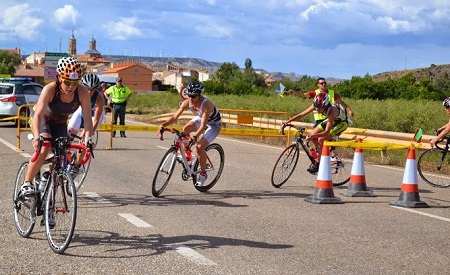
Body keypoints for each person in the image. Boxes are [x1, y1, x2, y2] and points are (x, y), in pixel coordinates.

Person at [20, 57, 93, 201]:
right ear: (59, 78)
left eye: (74, 82)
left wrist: (87, 139)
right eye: (67, 82)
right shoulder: (50, 89)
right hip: (43, 119)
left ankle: (49, 201)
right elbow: (38, 115)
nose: (71, 86)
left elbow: (88, 119)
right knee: (45, 146)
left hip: (60, 122)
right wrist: (36, 136)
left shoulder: (83, 92)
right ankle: (26, 183)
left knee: (62, 156)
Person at [157, 82, 222, 187]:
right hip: (201, 120)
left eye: (193, 96)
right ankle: (188, 156)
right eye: (189, 95)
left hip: (213, 125)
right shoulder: (188, 102)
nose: (191, 98)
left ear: (200, 94)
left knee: (200, 147)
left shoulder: (206, 104)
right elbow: (174, 117)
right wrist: (162, 125)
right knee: (185, 129)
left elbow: (203, 126)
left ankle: (203, 174)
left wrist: (195, 136)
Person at [284, 92, 348, 174]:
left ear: (325, 105)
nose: (317, 110)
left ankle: (319, 162)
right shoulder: (317, 105)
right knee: (314, 137)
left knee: (320, 139)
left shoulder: (332, 111)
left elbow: (326, 132)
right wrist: (287, 122)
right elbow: (302, 114)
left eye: (319, 108)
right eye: (316, 107)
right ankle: (323, 153)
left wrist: (312, 136)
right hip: (330, 120)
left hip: (341, 123)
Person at [67, 73, 104, 173]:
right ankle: (65, 157)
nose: (89, 92)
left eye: (92, 89)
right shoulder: (77, 92)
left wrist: (89, 133)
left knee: (84, 139)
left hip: (94, 115)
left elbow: (95, 120)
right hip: (81, 111)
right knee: (68, 135)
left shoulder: (99, 97)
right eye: (87, 88)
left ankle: (77, 166)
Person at [288, 77, 354, 126]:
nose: (324, 84)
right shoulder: (314, 93)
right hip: (318, 120)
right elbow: (303, 95)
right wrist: (294, 92)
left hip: (329, 119)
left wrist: (349, 110)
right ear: (318, 85)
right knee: (315, 138)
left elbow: (341, 103)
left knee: (323, 138)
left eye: (325, 83)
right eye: (322, 83)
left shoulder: (332, 93)